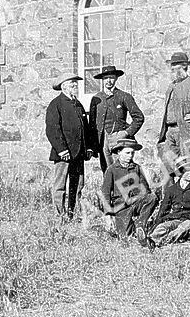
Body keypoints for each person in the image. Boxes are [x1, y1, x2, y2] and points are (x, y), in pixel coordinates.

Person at [45, 74, 97, 221]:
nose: (75, 85)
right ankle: (59, 216)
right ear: (63, 86)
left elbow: (84, 128)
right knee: (60, 186)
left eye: (75, 83)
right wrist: (62, 150)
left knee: (78, 185)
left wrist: (88, 148)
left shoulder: (78, 104)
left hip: (79, 153)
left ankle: (72, 214)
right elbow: (52, 129)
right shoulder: (56, 104)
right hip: (64, 154)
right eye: (72, 83)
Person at [99, 138, 158, 245]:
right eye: (127, 153)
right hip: (121, 206)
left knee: (152, 197)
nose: (130, 156)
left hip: (136, 202)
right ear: (119, 152)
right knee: (126, 239)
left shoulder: (136, 168)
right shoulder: (112, 169)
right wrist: (108, 215)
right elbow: (105, 192)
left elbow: (146, 188)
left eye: (132, 153)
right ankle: (135, 231)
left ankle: (140, 224)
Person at [88, 65, 145, 173]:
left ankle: (126, 190)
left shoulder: (124, 96)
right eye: (106, 78)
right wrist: (93, 144)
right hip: (103, 140)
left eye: (111, 78)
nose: (108, 81)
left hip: (119, 139)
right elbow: (92, 123)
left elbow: (139, 117)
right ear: (102, 80)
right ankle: (109, 190)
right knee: (107, 171)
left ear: (116, 78)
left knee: (122, 170)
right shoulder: (96, 98)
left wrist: (126, 133)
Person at [149, 153, 190, 246]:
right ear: (180, 172)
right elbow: (163, 210)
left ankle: (163, 242)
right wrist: (157, 224)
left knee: (182, 228)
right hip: (175, 220)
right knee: (163, 227)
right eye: (188, 171)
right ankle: (150, 240)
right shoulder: (172, 189)